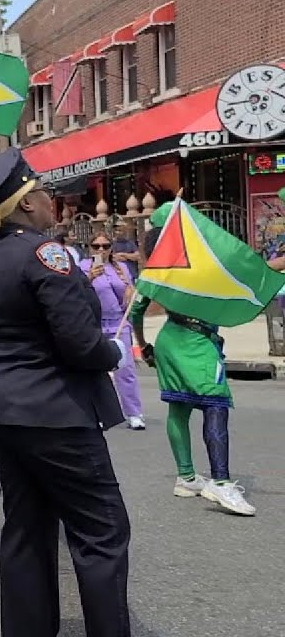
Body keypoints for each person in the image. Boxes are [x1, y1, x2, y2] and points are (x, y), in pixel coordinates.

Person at [0, 148, 132, 637]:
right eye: (42, 193)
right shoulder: (46, 254)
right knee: (102, 531)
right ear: (25, 204)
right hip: (55, 409)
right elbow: (78, 341)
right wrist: (111, 353)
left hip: (1, 404)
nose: (51, 201)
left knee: (26, 528)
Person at [129, 204, 255, 516]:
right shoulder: (200, 265)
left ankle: (186, 478)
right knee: (216, 404)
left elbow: (135, 311)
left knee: (179, 406)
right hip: (197, 344)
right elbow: (246, 272)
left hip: (171, 341)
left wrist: (144, 345)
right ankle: (221, 483)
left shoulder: (159, 271)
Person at [81, 231, 146, 430]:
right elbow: (76, 293)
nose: (101, 249)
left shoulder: (122, 267)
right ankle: (99, 413)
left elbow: (130, 291)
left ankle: (134, 413)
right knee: (98, 370)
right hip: (95, 324)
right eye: (97, 246)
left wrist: (129, 292)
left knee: (125, 369)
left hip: (119, 323)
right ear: (90, 248)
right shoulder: (83, 267)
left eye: (106, 245)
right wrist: (89, 278)